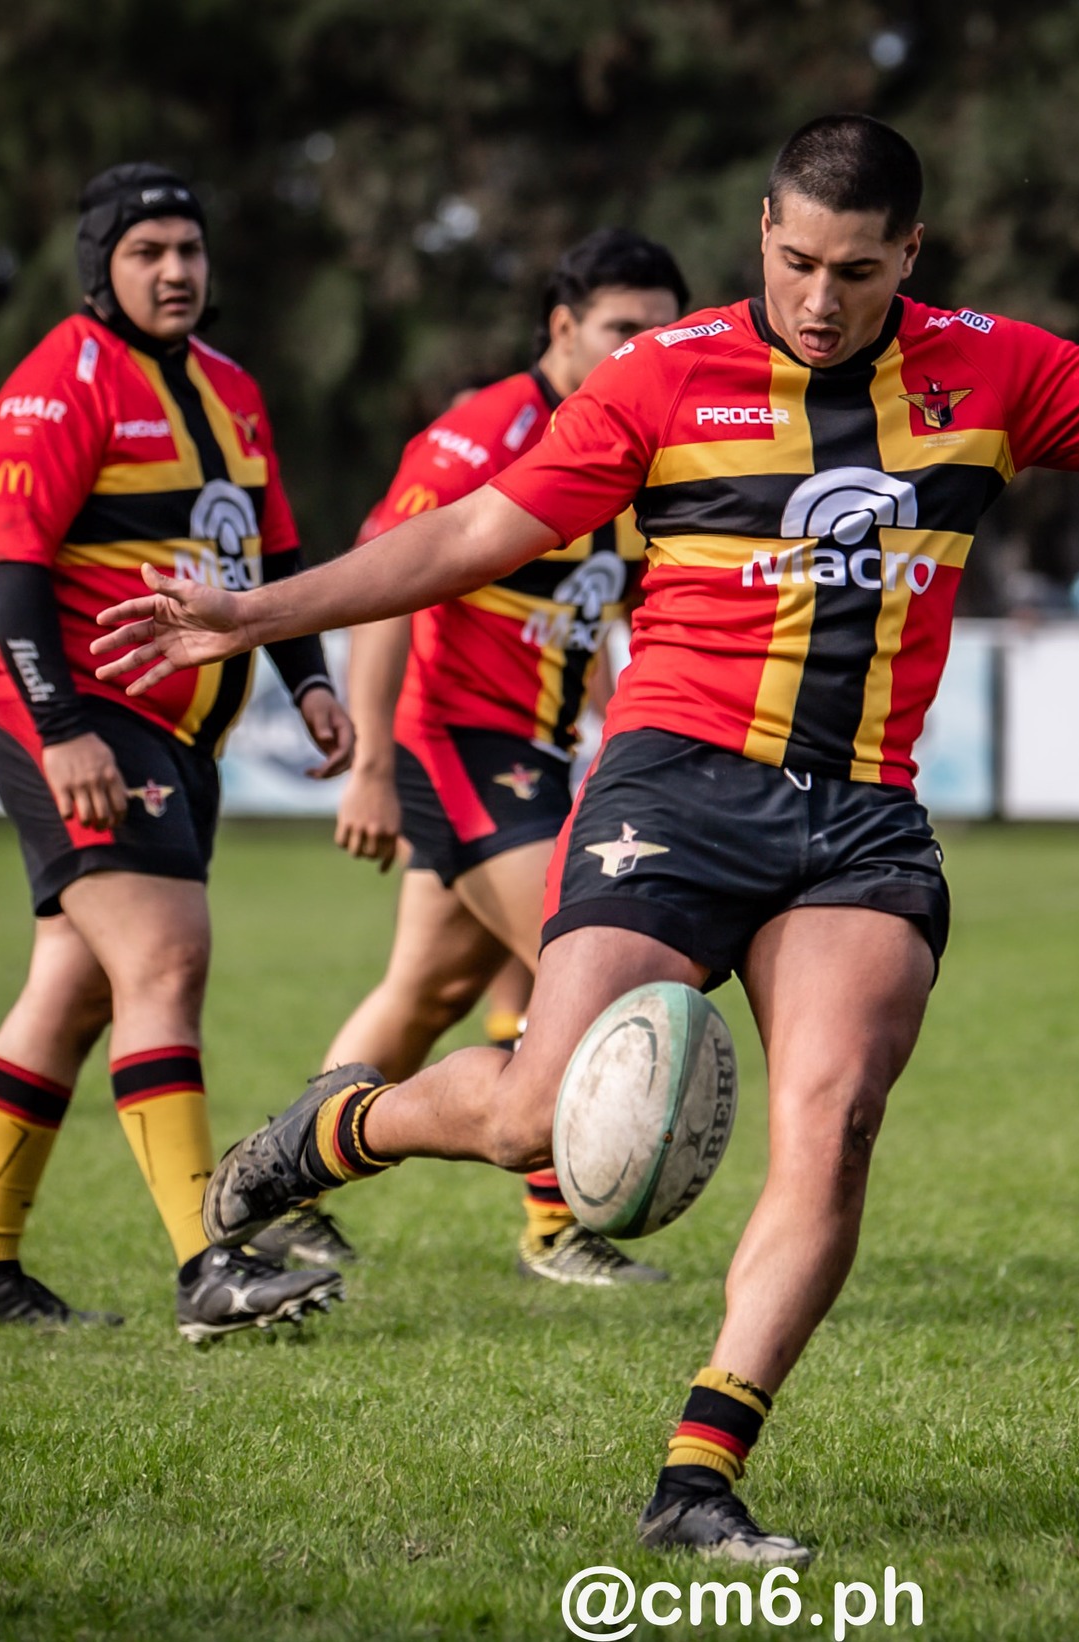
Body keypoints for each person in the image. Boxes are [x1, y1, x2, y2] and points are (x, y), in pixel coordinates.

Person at [90, 121, 1079, 1557]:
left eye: (854, 270)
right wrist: (256, 610)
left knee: (829, 1119)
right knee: (530, 1120)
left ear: (913, 253)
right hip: (674, 789)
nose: (819, 300)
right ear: (761, 231)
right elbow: (472, 535)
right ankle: (322, 1138)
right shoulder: (662, 378)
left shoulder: (994, 370)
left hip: (860, 819)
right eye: (793, 261)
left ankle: (700, 1472)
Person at [0, 164, 355, 1341]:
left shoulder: (231, 388)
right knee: (165, 962)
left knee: (70, 990)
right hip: (85, 718)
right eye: (147, 252)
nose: (176, 271)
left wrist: (311, 681)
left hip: (180, 733)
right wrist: (62, 728)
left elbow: (268, 562)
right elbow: (10, 574)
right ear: (100, 268)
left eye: (190, 248)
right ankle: (206, 1265)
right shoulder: (54, 387)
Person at [273, 230, 689, 1286]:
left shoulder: (642, 441)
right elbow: (383, 577)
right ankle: (557, 1224)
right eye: (621, 329)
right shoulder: (487, 428)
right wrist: (366, 762)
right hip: (457, 744)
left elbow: (591, 614)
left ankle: (284, 1188)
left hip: (538, 755)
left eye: (662, 328)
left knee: (420, 991)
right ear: (561, 327)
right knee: (577, 965)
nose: (645, 347)